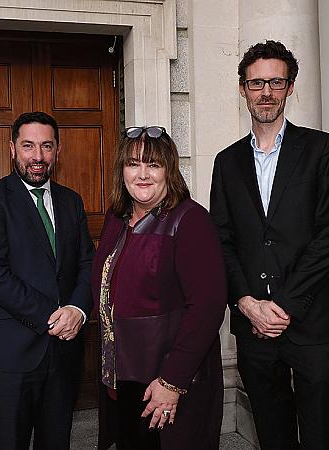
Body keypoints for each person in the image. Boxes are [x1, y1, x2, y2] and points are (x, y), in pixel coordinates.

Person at [210, 40, 329, 449]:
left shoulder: (323, 149)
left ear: (290, 87)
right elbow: (222, 239)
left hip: (315, 321)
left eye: (275, 82)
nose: (266, 92)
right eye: (256, 83)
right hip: (254, 325)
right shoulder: (226, 161)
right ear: (242, 89)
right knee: (272, 435)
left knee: (322, 436)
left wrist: (285, 306)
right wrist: (245, 303)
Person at [91, 126, 227, 450]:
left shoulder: (190, 220)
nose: (142, 174)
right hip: (122, 376)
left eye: (153, 164)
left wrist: (172, 381)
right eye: (133, 163)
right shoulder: (116, 218)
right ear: (121, 170)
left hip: (166, 381)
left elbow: (207, 309)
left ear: (169, 170)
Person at [0, 111, 94, 450]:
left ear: (57, 150)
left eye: (46, 146)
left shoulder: (71, 201)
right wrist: (55, 314)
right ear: (12, 149)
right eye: (28, 146)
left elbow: (88, 264)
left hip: (64, 353)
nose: (37, 156)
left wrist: (79, 311)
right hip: (10, 357)